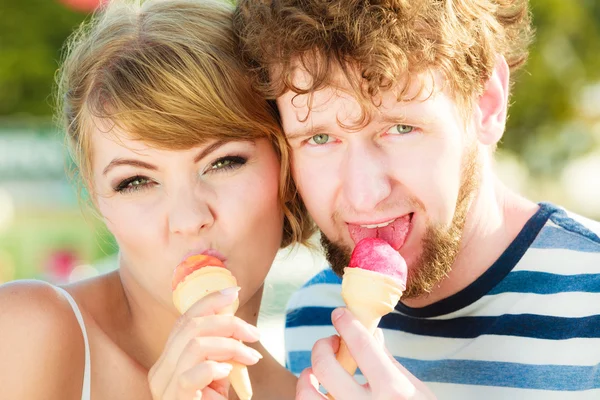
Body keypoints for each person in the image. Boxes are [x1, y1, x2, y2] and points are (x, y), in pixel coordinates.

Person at [233, 0, 600, 398]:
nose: (365, 195)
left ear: (486, 103)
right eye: (320, 138)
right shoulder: (314, 314)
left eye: (401, 128)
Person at [0, 0, 316, 398]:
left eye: (224, 162)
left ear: (286, 165)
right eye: (135, 182)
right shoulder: (26, 332)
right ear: (97, 198)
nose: (188, 218)